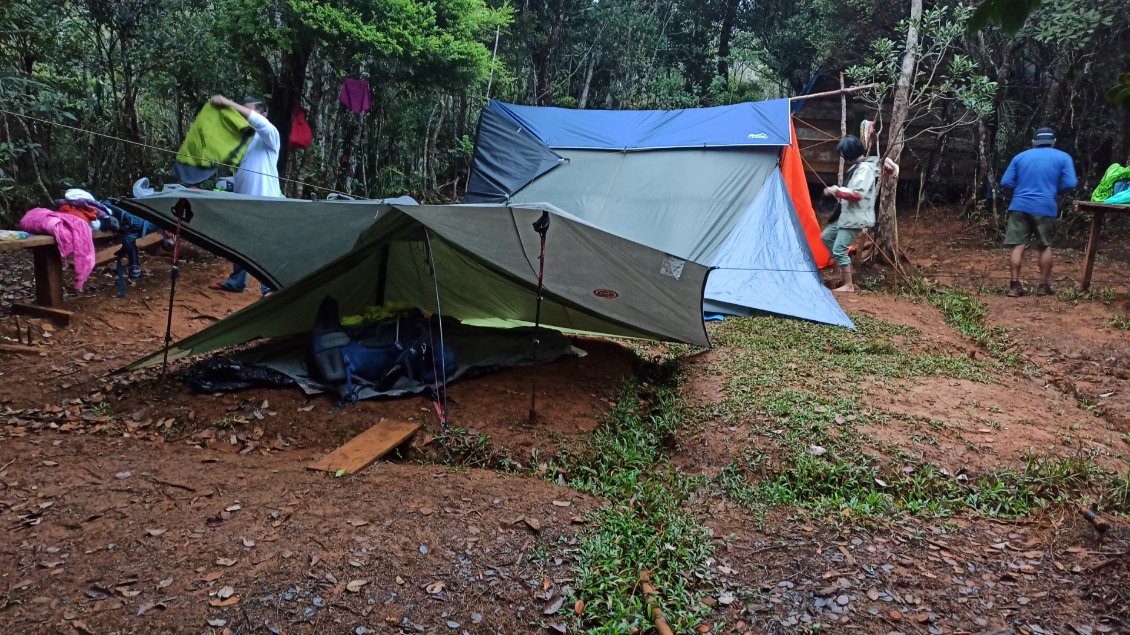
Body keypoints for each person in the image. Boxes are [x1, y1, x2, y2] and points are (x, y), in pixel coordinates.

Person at [207, 95, 282, 296]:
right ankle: (236, 283)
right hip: (243, 202)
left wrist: (228, 103)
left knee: (265, 246)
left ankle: (270, 288)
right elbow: (245, 171)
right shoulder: (243, 141)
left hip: (266, 203)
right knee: (239, 243)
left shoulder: (270, 135)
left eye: (246, 111)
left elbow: (258, 122)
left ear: (263, 114)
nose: (243, 115)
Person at [1001, 127, 1077, 297]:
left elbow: (1005, 182)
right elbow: (1071, 183)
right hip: (1045, 206)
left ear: (1033, 142)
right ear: (1053, 142)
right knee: (1044, 246)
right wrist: (1056, 190)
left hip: (1019, 205)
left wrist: (1020, 189)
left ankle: (1014, 286)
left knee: (1018, 245)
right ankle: (1043, 286)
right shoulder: (1063, 157)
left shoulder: (1020, 157)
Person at [820, 136, 880, 293]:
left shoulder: (865, 169)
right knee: (826, 236)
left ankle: (848, 285)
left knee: (839, 249)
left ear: (849, 153)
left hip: (855, 218)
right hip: (846, 216)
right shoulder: (856, 167)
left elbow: (857, 194)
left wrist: (836, 191)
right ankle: (842, 267)